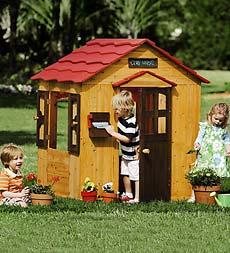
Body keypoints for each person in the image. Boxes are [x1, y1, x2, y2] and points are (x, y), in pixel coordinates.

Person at [188, 103, 230, 202]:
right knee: (199, 175)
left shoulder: (223, 130)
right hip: (205, 155)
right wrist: (197, 143)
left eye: (221, 120)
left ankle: (214, 196)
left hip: (217, 157)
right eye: (216, 119)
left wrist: (228, 149)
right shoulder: (205, 127)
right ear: (210, 115)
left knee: (216, 175)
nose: (218, 122)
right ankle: (194, 195)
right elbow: (200, 136)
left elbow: (227, 141)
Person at [105, 90, 140, 204]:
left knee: (135, 176)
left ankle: (137, 198)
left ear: (125, 108)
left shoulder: (131, 121)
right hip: (125, 153)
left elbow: (127, 138)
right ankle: (129, 194)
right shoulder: (121, 119)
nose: (115, 111)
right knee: (125, 173)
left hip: (134, 154)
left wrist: (113, 134)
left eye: (117, 108)